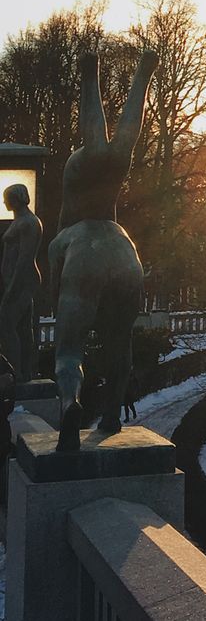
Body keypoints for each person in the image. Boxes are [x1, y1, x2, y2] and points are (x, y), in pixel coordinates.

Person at [48, 50, 157, 452]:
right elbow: (124, 137)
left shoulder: (66, 232)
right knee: (119, 342)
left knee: (68, 349)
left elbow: (55, 286)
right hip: (123, 249)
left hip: (82, 245)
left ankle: (70, 402)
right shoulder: (115, 191)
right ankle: (111, 415)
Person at [0, 183, 43, 383]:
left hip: (23, 280)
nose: (4, 202)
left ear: (16, 198)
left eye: (7, 198)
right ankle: (25, 371)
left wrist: (12, 287)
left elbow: (25, 259)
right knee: (23, 327)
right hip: (15, 280)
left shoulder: (29, 222)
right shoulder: (19, 221)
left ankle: (15, 372)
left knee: (6, 324)